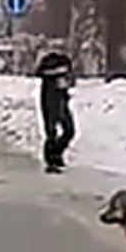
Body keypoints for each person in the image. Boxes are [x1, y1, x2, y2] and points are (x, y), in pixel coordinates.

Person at [36, 43, 75, 173]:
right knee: (51, 131)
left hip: (62, 98)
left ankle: (57, 153)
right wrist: (58, 73)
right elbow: (39, 72)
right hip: (49, 98)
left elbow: (71, 77)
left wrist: (68, 80)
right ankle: (51, 161)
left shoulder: (65, 60)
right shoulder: (47, 61)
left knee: (69, 129)